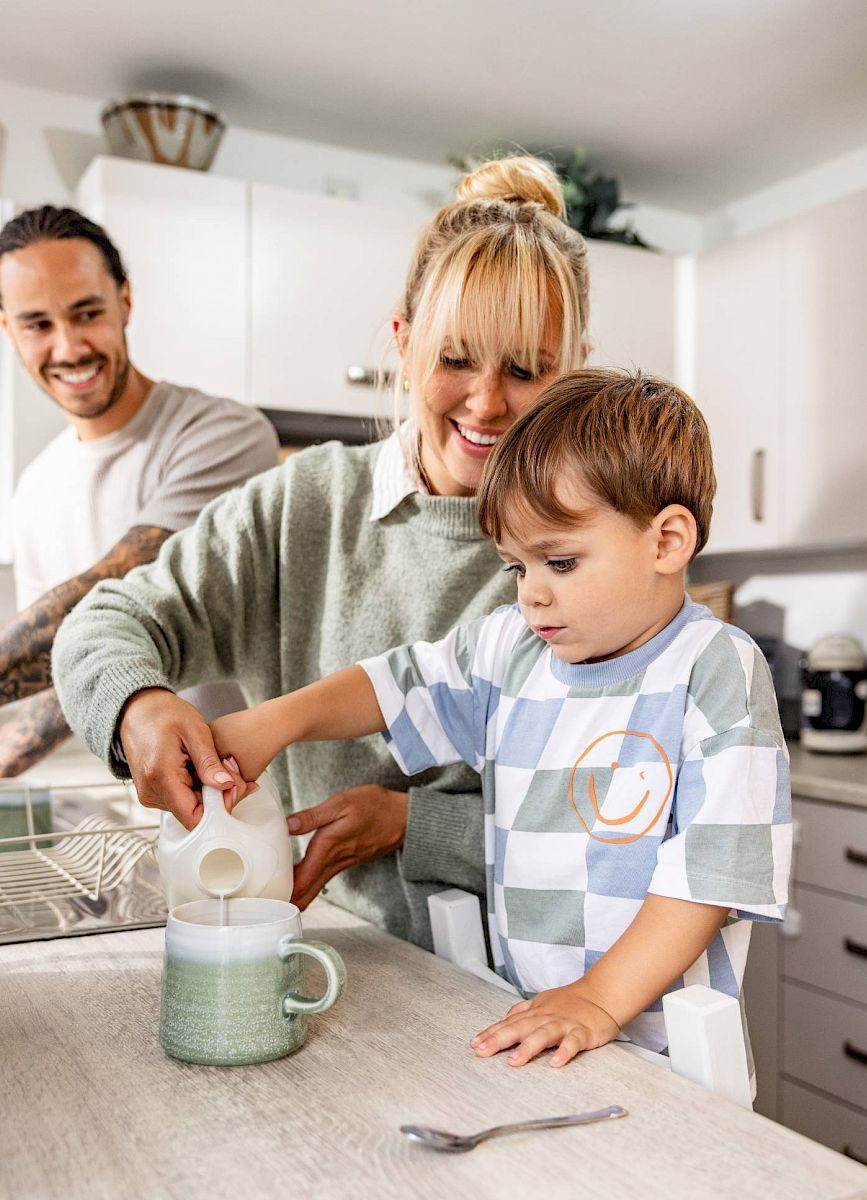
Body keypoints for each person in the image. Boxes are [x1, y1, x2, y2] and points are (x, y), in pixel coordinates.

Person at [53, 155, 592, 947]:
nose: (485, 402)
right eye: (454, 359)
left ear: (570, 372)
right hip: (343, 953)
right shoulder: (304, 505)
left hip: (541, 983)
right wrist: (138, 706)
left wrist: (413, 823)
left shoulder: (590, 549)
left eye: (524, 369)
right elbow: (103, 623)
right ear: (405, 346)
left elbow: (609, 823)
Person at [206, 368, 792, 1066]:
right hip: (538, 1021)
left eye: (561, 562)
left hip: (665, 1052)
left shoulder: (714, 668)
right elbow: (397, 687)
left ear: (667, 541)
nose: (532, 595)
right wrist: (275, 722)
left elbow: (709, 881)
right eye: (517, 568)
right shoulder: (511, 646)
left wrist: (598, 1000)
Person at [0, 206, 280, 778]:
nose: (69, 347)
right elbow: (70, 668)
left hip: (251, 805)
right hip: (142, 817)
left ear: (125, 301)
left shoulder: (222, 434)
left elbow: (112, 596)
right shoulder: (33, 491)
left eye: (87, 313)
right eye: (37, 324)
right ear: (7, 328)